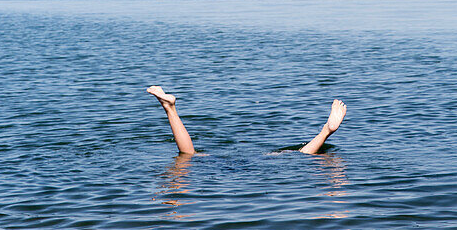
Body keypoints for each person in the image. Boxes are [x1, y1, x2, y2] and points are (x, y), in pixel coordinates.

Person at [146, 85, 347, 155]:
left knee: (188, 155)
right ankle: (326, 131)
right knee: (299, 156)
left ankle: (169, 108)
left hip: (222, 163)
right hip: (264, 160)